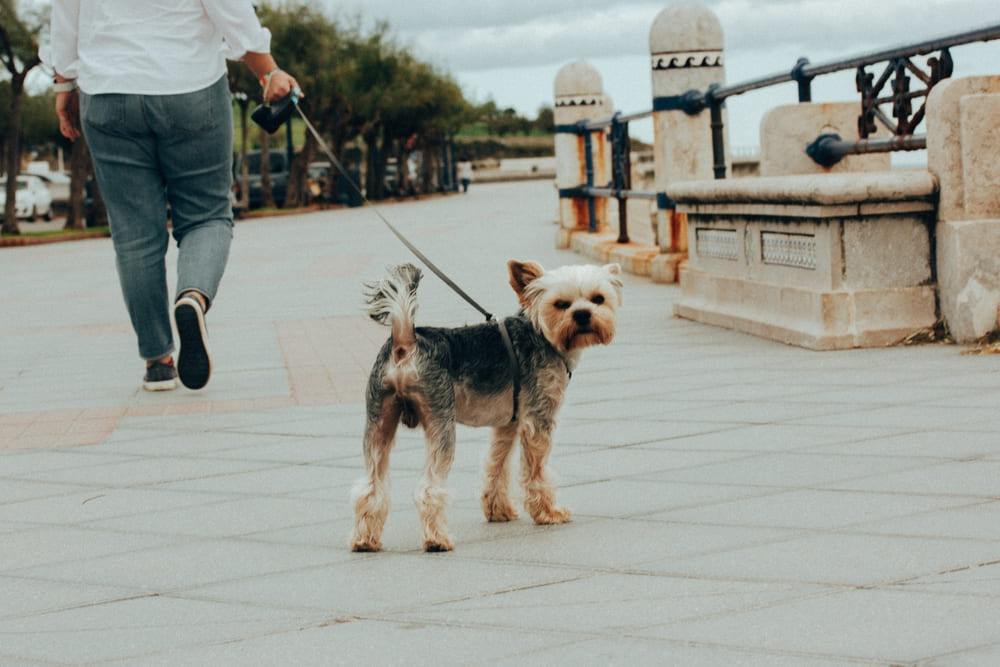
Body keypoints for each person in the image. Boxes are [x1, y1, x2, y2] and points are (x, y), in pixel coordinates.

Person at [45, 1, 302, 392]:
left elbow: (66, 17)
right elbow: (228, 8)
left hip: (108, 92)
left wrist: (64, 84)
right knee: (207, 216)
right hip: (191, 87)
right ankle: (193, 298)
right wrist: (267, 71)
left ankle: (158, 360)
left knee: (134, 234)